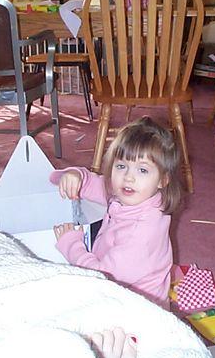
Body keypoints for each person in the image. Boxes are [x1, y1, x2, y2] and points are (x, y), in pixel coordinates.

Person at [51, 116, 182, 309]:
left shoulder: (141, 234)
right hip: (116, 284)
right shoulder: (134, 194)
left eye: (142, 170)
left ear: (163, 180)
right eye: (121, 166)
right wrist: (75, 176)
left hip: (135, 311)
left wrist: (71, 244)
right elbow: (94, 184)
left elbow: (103, 277)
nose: (128, 177)